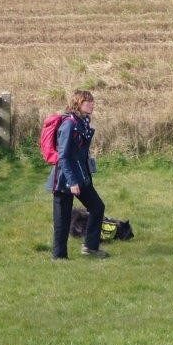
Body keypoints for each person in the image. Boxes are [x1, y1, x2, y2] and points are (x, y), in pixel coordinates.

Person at [49, 89, 107, 259]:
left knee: (97, 207)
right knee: (63, 219)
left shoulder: (83, 122)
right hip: (64, 179)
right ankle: (59, 257)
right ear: (78, 104)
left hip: (81, 177)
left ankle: (90, 247)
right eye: (87, 101)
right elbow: (64, 156)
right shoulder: (69, 124)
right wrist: (72, 181)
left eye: (92, 101)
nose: (92, 104)